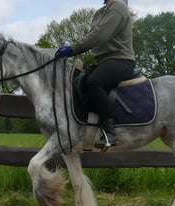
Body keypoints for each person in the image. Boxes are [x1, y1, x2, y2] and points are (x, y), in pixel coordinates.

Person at [55, 0, 136, 149]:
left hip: (121, 59)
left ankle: (110, 132)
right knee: (80, 81)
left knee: (94, 82)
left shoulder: (118, 6)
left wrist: (73, 49)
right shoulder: (100, 12)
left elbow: (100, 36)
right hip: (104, 61)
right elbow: (93, 35)